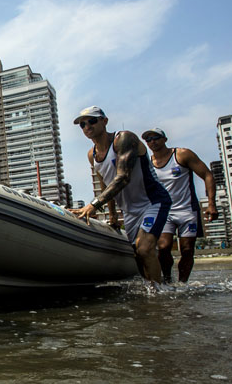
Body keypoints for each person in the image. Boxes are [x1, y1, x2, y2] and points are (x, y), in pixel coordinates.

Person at [70, 106, 171, 283]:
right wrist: (113, 216)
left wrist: (93, 205)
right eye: (83, 124)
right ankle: (154, 288)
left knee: (144, 249)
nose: (87, 126)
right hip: (129, 211)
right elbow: (104, 184)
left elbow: (123, 177)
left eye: (92, 121)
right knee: (138, 256)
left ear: (105, 121)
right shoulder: (91, 155)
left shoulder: (124, 139)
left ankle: (159, 294)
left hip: (152, 202)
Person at [142, 127, 218, 282]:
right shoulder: (148, 165)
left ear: (164, 139)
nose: (152, 142)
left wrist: (211, 203)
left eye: (155, 138)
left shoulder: (182, 155)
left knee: (187, 249)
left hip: (187, 210)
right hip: (165, 212)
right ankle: (168, 279)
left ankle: (183, 283)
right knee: (163, 248)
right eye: (148, 140)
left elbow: (207, 175)